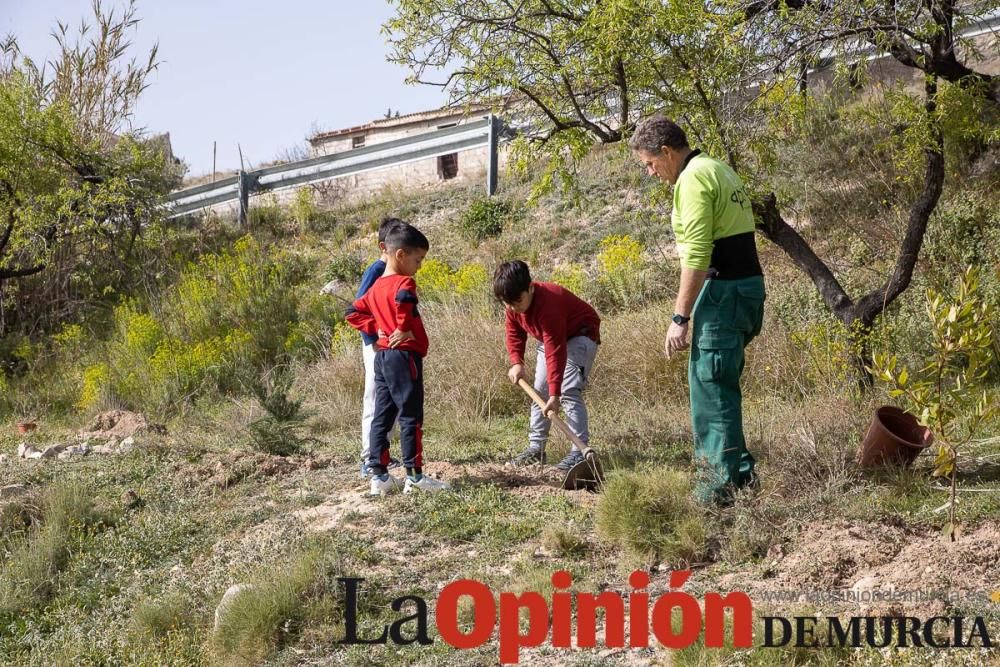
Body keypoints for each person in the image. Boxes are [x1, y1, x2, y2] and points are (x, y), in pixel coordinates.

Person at [630, 114, 766, 504]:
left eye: (650, 164)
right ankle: (740, 474)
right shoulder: (718, 168)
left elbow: (698, 255)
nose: (652, 173)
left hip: (723, 292)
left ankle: (719, 488)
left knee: (711, 388)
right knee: (720, 385)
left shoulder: (691, 180)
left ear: (668, 152)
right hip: (748, 289)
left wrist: (679, 317)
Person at [345, 222, 449, 496]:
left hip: (382, 357)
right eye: (418, 259)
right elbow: (404, 298)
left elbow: (351, 312)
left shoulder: (376, 287)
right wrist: (402, 327)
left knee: (383, 414)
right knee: (411, 416)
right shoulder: (404, 282)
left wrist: (374, 327)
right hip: (405, 357)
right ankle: (414, 477)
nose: (419, 266)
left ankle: (379, 476)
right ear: (400, 255)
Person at [494, 260, 601, 472]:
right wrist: (517, 362)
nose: (513, 308)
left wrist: (555, 395)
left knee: (568, 391)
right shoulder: (512, 302)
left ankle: (579, 453)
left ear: (531, 288)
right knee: (539, 391)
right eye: (508, 303)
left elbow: (556, 350)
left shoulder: (550, 304)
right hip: (552, 339)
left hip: (581, 334)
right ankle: (536, 449)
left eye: (517, 301)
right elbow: (514, 332)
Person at [355, 217, 403, 479]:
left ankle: (381, 451)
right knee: (374, 399)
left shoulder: (397, 273)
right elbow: (357, 308)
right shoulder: (376, 270)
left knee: (390, 400)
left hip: (390, 346)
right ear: (384, 246)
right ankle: (368, 457)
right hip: (375, 347)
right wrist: (373, 336)